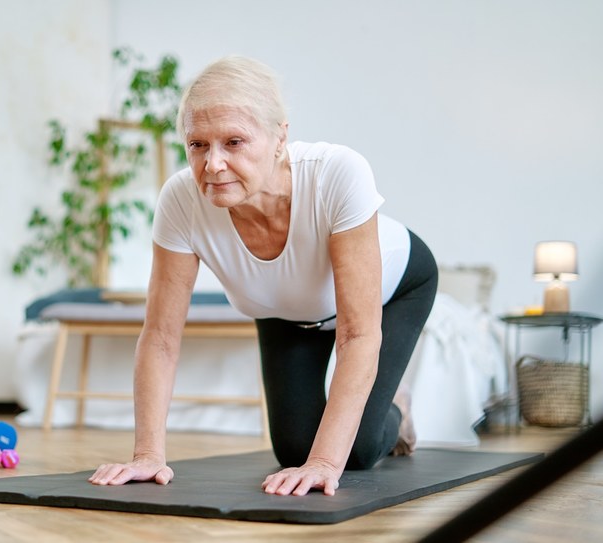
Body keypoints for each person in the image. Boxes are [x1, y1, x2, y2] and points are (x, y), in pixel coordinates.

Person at [89, 55, 437, 497]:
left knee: (358, 449)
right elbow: (159, 337)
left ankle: (396, 408)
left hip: (395, 290)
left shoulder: (337, 174)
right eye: (198, 145)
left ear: (279, 138)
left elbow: (358, 334)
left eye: (233, 142)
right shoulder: (181, 200)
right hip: (286, 311)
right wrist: (147, 456)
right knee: (294, 448)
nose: (212, 164)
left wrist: (326, 463)